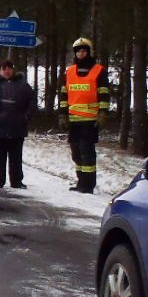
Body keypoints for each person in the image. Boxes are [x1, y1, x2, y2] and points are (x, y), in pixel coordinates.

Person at [57, 37, 112, 193]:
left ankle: (88, 185)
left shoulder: (98, 70)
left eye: (84, 50)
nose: (81, 53)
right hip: (73, 121)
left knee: (86, 153)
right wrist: (62, 114)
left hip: (90, 120)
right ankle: (81, 181)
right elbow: (63, 95)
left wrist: (102, 113)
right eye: (78, 51)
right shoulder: (69, 72)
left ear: (88, 52)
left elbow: (104, 94)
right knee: (76, 153)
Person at [0, 57, 37, 189]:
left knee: (16, 158)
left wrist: (27, 116)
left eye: (9, 68)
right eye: (4, 69)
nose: (7, 71)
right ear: (0, 70)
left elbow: (32, 102)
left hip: (17, 128)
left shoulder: (23, 85)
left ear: (13, 70)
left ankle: (16, 181)